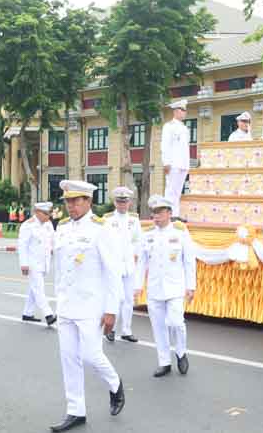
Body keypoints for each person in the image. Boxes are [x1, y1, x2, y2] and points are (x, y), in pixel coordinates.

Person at [51, 180, 125, 432]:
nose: (70, 206)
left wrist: (111, 309)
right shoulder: (61, 228)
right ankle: (75, 410)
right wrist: (57, 298)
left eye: (76, 201)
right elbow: (59, 268)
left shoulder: (100, 229)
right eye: (67, 201)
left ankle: (115, 384)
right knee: (68, 359)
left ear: (88, 201)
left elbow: (113, 272)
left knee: (91, 355)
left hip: (91, 304)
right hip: (66, 304)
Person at [137, 194, 196, 378]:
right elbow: (141, 263)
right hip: (155, 288)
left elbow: (189, 260)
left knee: (176, 322)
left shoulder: (180, 232)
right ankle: (164, 362)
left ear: (169, 213)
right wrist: (137, 286)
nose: (156, 216)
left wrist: (191, 286)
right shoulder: (148, 235)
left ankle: (180, 351)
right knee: (158, 327)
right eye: (154, 213)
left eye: (160, 212)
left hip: (175, 287)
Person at [103, 186, 142, 343]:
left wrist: (136, 253)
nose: (122, 205)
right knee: (115, 298)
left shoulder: (134, 220)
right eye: (119, 202)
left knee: (128, 299)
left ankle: (126, 330)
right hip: (114, 265)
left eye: (125, 202)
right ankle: (110, 329)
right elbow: (103, 242)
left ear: (129, 203)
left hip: (129, 265)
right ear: (115, 202)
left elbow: (139, 240)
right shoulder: (107, 220)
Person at [18, 201, 57, 326]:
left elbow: (53, 240)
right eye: (45, 213)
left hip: (44, 261)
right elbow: (22, 246)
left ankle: (27, 313)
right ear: (37, 212)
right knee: (39, 288)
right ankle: (48, 314)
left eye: (49, 214)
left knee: (33, 288)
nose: (48, 216)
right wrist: (23, 263)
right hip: (32, 263)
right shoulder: (27, 225)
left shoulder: (48, 224)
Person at [161, 98, 190, 219]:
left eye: (185, 110)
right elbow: (165, 145)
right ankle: (168, 215)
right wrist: (166, 162)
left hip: (183, 163)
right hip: (172, 163)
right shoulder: (169, 126)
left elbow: (185, 147)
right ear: (175, 111)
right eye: (182, 110)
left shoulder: (184, 128)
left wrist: (187, 164)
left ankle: (176, 214)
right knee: (170, 190)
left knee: (177, 192)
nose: (184, 112)